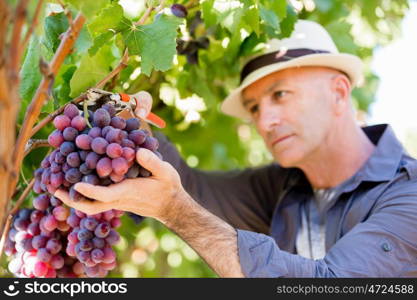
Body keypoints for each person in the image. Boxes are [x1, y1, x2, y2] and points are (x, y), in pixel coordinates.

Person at [55, 20, 417, 277]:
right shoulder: (284, 186)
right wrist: (134, 124)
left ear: (338, 93)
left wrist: (174, 211)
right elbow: (191, 188)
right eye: (255, 107)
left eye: (280, 95)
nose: (264, 121)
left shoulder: (408, 196)